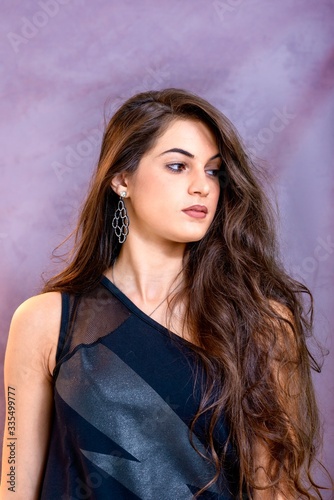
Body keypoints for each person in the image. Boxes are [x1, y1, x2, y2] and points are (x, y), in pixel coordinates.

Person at [0, 88, 329, 499]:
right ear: (121, 179)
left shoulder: (261, 324)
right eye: (178, 166)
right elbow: (14, 489)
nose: (202, 187)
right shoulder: (45, 321)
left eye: (213, 171)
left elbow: (275, 492)